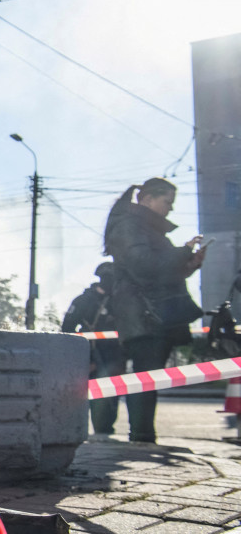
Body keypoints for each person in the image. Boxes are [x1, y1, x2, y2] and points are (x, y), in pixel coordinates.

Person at [103, 177, 205, 443]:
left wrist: (190, 264)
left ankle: (144, 435)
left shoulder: (146, 229)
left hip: (151, 314)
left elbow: (158, 271)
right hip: (143, 314)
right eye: (166, 202)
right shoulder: (129, 226)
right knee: (146, 375)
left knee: (150, 376)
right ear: (147, 199)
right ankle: (142, 436)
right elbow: (143, 265)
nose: (170, 209)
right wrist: (183, 252)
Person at [62, 262, 127, 439]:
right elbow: (67, 328)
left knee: (112, 393)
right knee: (94, 393)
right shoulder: (84, 300)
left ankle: (105, 429)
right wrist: (81, 357)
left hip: (115, 354)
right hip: (91, 353)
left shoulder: (120, 300)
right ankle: (100, 430)